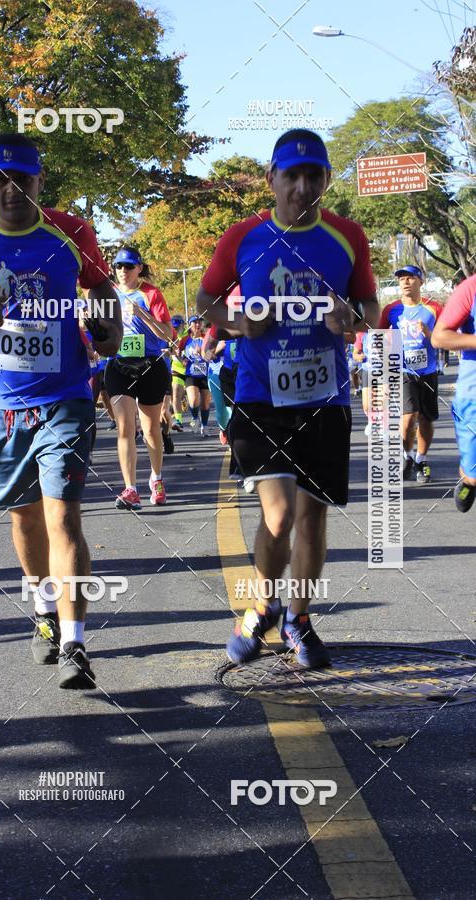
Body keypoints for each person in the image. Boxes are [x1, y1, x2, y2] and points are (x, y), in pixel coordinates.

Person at [0, 132, 122, 690]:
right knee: (25, 516)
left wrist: (110, 332)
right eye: (0, 181)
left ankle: (76, 642)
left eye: (24, 181)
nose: (13, 191)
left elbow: (102, 288)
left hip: (67, 396)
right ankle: (41, 608)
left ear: (40, 182)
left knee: (63, 515)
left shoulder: (71, 232)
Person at [196, 128, 379, 668]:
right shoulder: (242, 237)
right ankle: (260, 606)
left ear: (325, 180)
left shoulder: (347, 236)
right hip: (261, 397)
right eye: (292, 176)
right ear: (271, 180)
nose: (302, 187)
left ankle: (298, 619)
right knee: (277, 517)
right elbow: (206, 301)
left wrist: (352, 319)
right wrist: (236, 324)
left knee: (313, 518)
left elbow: (370, 306)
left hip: (325, 397)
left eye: (313, 176)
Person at [103, 247, 173, 510]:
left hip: (150, 365)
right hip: (118, 364)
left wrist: (142, 314)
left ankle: (156, 477)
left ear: (139, 268)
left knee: (152, 429)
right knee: (125, 427)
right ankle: (130, 488)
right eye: (118, 266)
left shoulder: (151, 294)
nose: (123, 271)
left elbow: (168, 335)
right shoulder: (107, 294)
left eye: (128, 266)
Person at [379, 266, 443, 484]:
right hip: (403, 371)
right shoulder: (391, 309)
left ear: (421, 282)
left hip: (429, 371)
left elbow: (444, 338)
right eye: (401, 280)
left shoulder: (434, 308)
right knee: (408, 417)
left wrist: (429, 333)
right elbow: (377, 338)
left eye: (410, 278)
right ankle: (406, 456)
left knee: (426, 418)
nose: (405, 283)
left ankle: (421, 460)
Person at [432, 274, 476, 512]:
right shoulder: (470, 288)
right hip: (473, 396)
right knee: (474, 475)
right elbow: (439, 336)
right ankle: (468, 479)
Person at [178, 316, 212, 436]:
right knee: (193, 400)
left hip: (205, 374)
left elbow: (211, 355)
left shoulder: (206, 338)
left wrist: (202, 353)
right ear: (190, 324)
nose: (197, 325)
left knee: (205, 403)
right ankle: (194, 418)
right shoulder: (185, 339)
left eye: (199, 322)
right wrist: (182, 359)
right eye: (195, 323)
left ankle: (205, 426)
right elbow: (177, 352)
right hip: (191, 374)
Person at [169, 314, 187, 431]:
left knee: (196, 399)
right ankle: (179, 421)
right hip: (176, 369)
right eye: (173, 326)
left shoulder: (189, 335)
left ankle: (196, 417)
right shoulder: (170, 336)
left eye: (177, 326)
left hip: (191, 370)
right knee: (175, 393)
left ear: (183, 324)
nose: (175, 329)